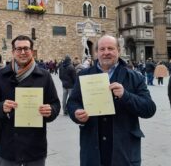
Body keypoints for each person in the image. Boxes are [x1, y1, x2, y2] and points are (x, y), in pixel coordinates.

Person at [67, 35, 156, 166]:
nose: (106, 52)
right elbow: (73, 102)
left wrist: (126, 96)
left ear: (119, 51)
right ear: (96, 52)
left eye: (111, 48)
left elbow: (149, 109)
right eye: (102, 49)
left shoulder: (134, 77)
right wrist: (76, 113)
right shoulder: (84, 75)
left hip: (124, 148)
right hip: (93, 148)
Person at [0, 35, 61, 166]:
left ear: (32, 51)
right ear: (13, 52)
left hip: (35, 146)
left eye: (26, 48)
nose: (23, 52)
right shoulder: (0, 75)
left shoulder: (44, 76)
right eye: (18, 49)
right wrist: (1, 107)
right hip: (8, 145)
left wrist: (51, 110)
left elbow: (55, 104)